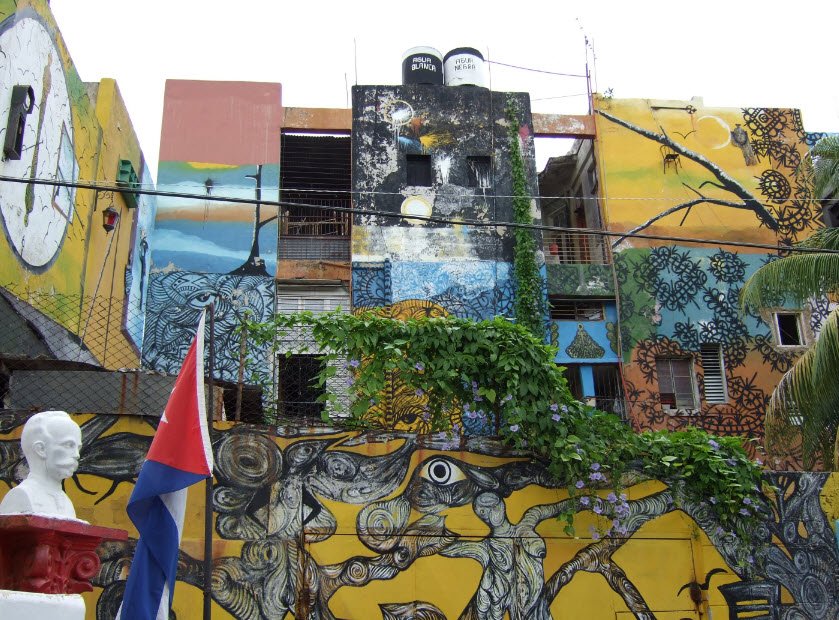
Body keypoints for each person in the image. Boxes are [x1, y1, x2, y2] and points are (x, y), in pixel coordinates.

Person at [0, 410, 81, 519]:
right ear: (41, 449)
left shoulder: (66, 502)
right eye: (69, 445)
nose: (77, 455)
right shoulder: (21, 496)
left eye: (78, 447)